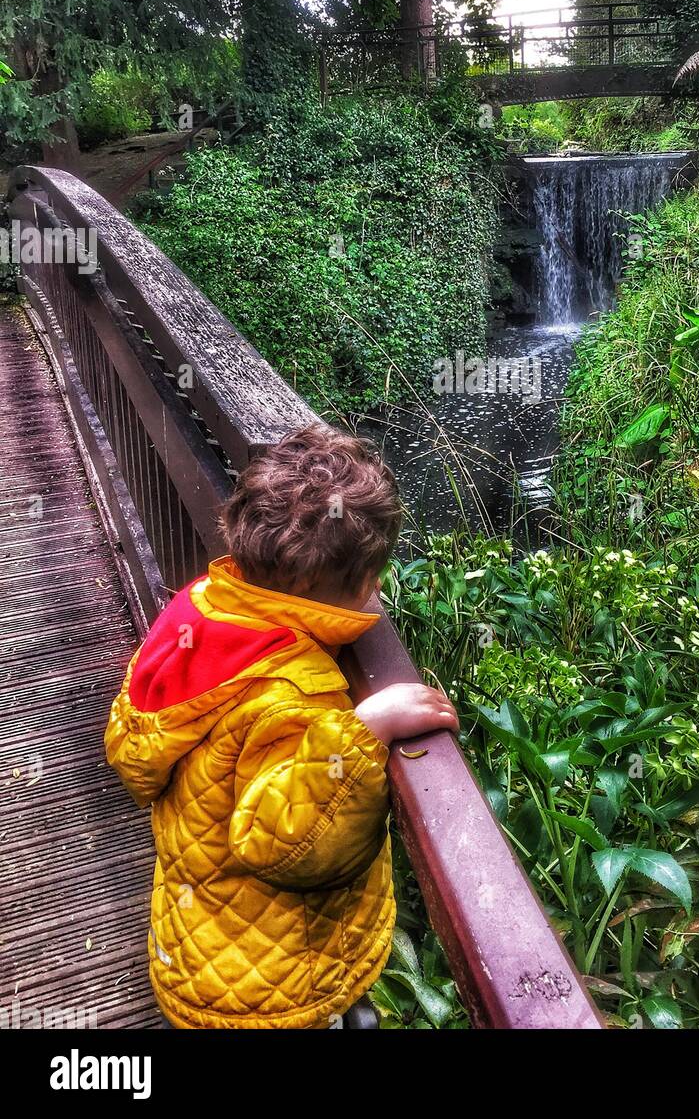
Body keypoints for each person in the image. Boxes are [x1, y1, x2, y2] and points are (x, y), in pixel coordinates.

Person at [105, 424, 458, 1029]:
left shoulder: (205, 611)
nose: (378, 592)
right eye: (373, 578)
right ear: (323, 587)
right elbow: (288, 845)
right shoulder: (292, 692)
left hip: (203, 945)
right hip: (271, 986)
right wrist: (362, 731)